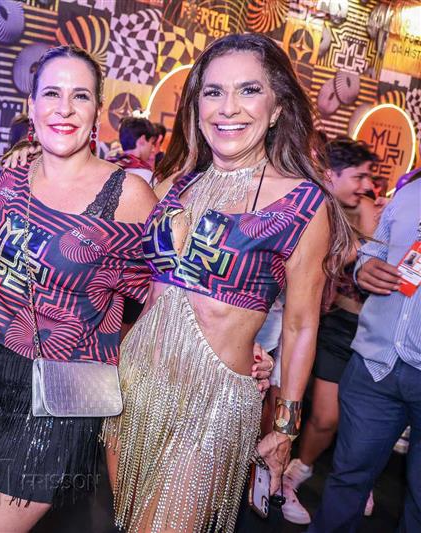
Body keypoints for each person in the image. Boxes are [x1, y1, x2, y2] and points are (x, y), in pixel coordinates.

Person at [0, 45, 274, 532]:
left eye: (80, 96)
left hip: (61, 392)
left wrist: (241, 350)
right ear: (30, 104)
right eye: (51, 94)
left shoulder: (129, 196)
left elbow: (177, 290)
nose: (64, 108)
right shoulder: (11, 176)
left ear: (98, 110)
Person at [103, 33, 350, 532]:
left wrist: (285, 427)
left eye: (249, 90)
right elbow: (135, 279)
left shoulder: (303, 203)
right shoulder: (175, 183)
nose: (228, 107)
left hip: (212, 404)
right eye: (213, 92)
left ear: (277, 108)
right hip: (133, 386)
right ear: (197, 108)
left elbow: (301, 326)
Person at [309, 176, 421, 532]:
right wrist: (364, 269)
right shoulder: (409, 193)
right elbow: (373, 252)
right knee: (347, 479)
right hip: (375, 363)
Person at [280, 138, 379, 524]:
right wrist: (362, 239)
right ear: (330, 176)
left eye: (370, 177)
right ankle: (291, 472)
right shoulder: (315, 208)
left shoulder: (370, 210)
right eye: (359, 176)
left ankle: (353, 479)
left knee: (363, 419)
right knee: (320, 415)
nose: (367, 185)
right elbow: (330, 262)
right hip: (325, 324)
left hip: (370, 328)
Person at [107, 116, 158, 186]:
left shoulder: (109, 166)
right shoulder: (147, 177)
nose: (152, 148)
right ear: (142, 140)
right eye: (152, 142)